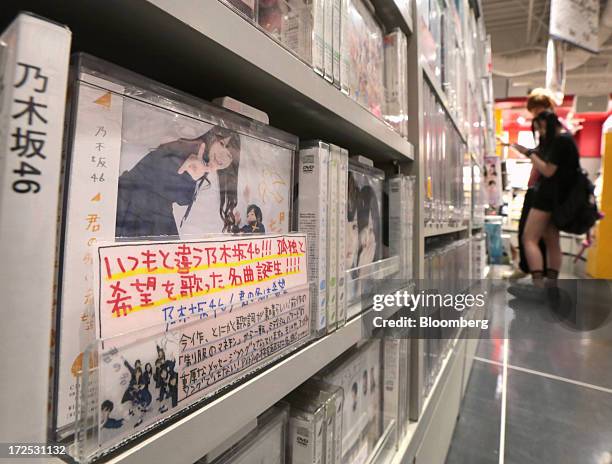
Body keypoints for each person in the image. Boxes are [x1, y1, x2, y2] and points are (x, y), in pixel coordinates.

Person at [116, 126, 241, 238]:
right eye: (222, 143)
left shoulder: (203, 162)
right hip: (135, 209)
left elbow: (179, 196)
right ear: (212, 137)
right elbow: (161, 182)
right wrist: (190, 179)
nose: (223, 154)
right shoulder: (191, 149)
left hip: (145, 212)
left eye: (230, 156)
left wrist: (193, 178)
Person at [510, 111, 580, 293]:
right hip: (559, 198)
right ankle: (550, 286)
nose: (540, 132)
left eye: (540, 127)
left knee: (529, 238)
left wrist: (528, 153)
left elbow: (548, 171)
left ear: (547, 123)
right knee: (551, 240)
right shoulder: (567, 141)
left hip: (546, 197)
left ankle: (538, 286)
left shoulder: (560, 142)